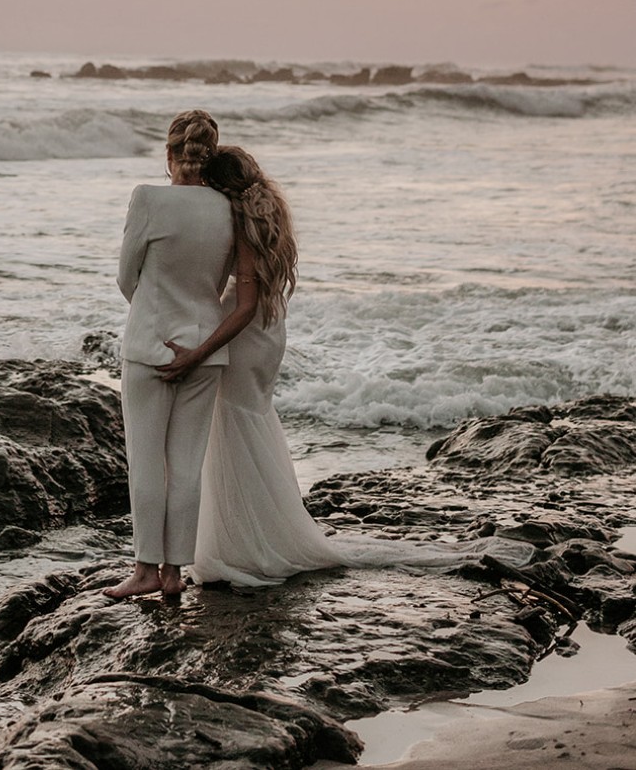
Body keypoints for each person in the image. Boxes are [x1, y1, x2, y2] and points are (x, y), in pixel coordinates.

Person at [158, 145, 533, 584]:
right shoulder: (270, 209)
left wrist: (198, 353)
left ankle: (246, 545)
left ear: (220, 188)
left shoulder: (241, 223)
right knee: (249, 425)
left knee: (233, 428)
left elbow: (241, 308)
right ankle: (256, 534)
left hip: (244, 335)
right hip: (268, 333)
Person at [105, 109, 244, 600]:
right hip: (206, 349)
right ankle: (173, 573)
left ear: (169, 155)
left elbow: (127, 277)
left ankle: (144, 571)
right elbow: (226, 279)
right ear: (210, 155)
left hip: (150, 347)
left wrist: (152, 318)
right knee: (185, 465)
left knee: (146, 462)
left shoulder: (148, 199)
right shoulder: (231, 207)